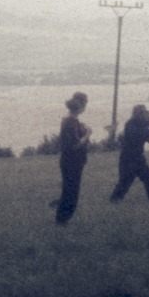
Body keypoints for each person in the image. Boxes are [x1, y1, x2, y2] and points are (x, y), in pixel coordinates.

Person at [53, 91, 92, 225]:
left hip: (68, 160)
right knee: (71, 192)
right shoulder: (72, 122)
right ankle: (62, 220)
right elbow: (76, 144)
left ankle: (61, 218)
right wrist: (87, 134)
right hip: (73, 161)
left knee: (68, 189)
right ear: (81, 107)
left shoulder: (68, 120)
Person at [110, 104, 149, 203]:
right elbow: (137, 137)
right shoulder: (130, 124)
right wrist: (148, 123)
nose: (144, 115)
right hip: (128, 158)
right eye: (142, 113)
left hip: (138, 157)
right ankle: (114, 200)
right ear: (137, 114)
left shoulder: (143, 123)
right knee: (124, 182)